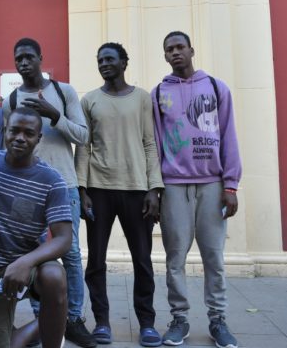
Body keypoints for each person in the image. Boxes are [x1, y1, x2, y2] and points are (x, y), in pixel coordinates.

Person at [2, 37, 95, 348]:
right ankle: (45, 317)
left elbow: (83, 136)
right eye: (19, 58)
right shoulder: (11, 99)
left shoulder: (63, 91)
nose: (24, 62)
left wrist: (53, 114)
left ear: (41, 57)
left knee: (69, 254)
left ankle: (74, 320)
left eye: (29, 56)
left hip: (63, 185)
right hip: (26, 188)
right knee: (32, 252)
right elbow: (8, 143)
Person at [152, 31, 242, 348]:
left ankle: (218, 320)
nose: (175, 52)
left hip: (212, 184)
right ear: (164, 56)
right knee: (175, 258)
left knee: (213, 257)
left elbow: (229, 135)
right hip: (174, 186)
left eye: (180, 47)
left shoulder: (216, 88)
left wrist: (230, 185)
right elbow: (155, 142)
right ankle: (179, 319)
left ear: (192, 50)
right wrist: (155, 187)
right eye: (169, 49)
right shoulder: (160, 92)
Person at [75, 43, 163, 347]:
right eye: (100, 60)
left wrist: (154, 189)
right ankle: (101, 321)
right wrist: (81, 189)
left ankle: (147, 324)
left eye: (110, 59)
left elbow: (150, 144)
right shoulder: (89, 100)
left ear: (124, 62)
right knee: (96, 260)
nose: (104, 64)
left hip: (137, 190)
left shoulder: (141, 98)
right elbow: (83, 146)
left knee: (142, 260)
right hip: (98, 189)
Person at [0, 108, 72, 348]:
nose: (20, 138)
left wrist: (26, 262)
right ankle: (42, 324)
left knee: (54, 276)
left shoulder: (52, 180)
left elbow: (63, 239)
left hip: (30, 268)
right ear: (5, 132)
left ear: (39, 138)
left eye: (29, 133)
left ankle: (52, 338)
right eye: (14, 130)